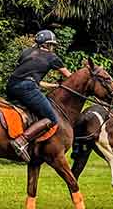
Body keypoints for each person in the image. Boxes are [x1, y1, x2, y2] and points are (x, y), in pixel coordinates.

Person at [6, 30, 71, 161]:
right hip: (27, 88)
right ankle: (21, 141)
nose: (53, 48)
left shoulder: (26, 53)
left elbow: (33, 80)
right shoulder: (52, 58)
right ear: (47, 45)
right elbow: (71, 77)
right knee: (52, 118)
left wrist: (54, 86)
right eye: (52, 45)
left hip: (11, 87)